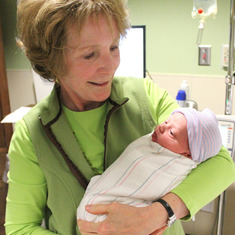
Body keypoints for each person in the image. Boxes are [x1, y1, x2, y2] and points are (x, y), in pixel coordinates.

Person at [5, 0, 235, 234]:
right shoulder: (33, 132)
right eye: (90, 54)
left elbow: (222, 164)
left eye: (113, 47)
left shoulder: (145, 96)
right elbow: (20, 228)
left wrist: (160, 212)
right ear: (52, 61)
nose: (110, 65)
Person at [77, 108, 222, 222]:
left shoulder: (176, 164)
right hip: (94, 206)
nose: (161, 128)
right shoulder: (156, 141)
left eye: (171, 133)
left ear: (188, 155)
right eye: (166, 122)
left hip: (103, 215)